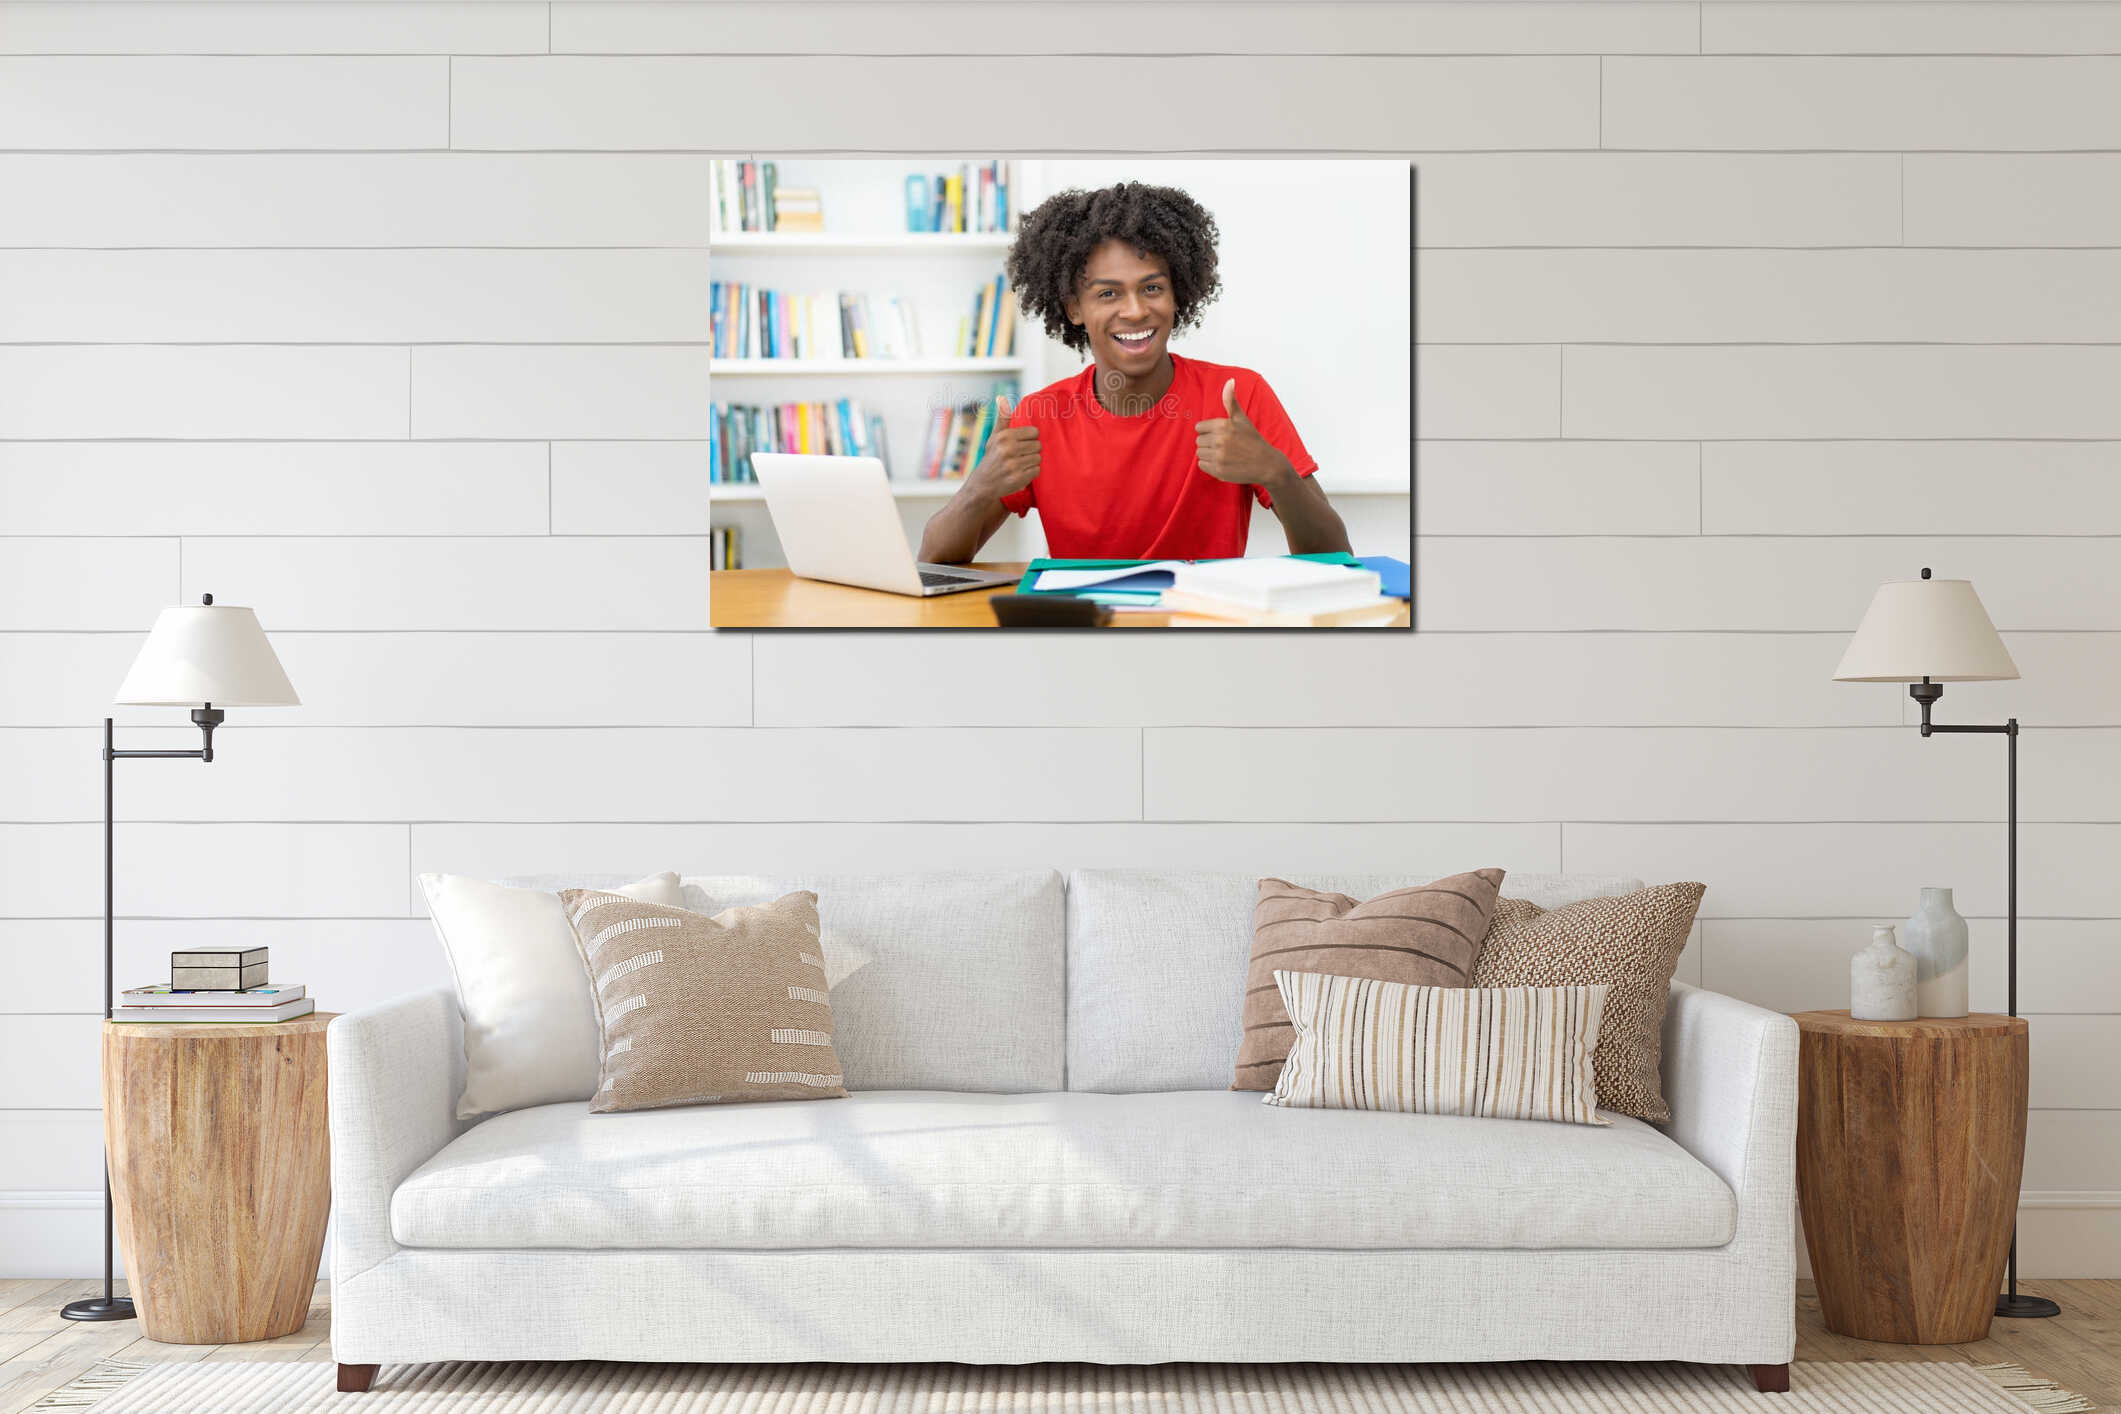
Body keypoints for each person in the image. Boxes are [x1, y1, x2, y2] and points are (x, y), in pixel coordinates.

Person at [919, 180, 1349, 564]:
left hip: (1203, 619)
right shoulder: (1038, 417)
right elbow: (934, 561)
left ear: (1178, 294)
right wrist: (980, 487)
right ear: (1074, 308)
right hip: (1089, 620)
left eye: (1152, 288)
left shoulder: (1237, 395)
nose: (1136, 310)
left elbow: (1335, 554)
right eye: (1108, 294)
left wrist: (1276, 473)